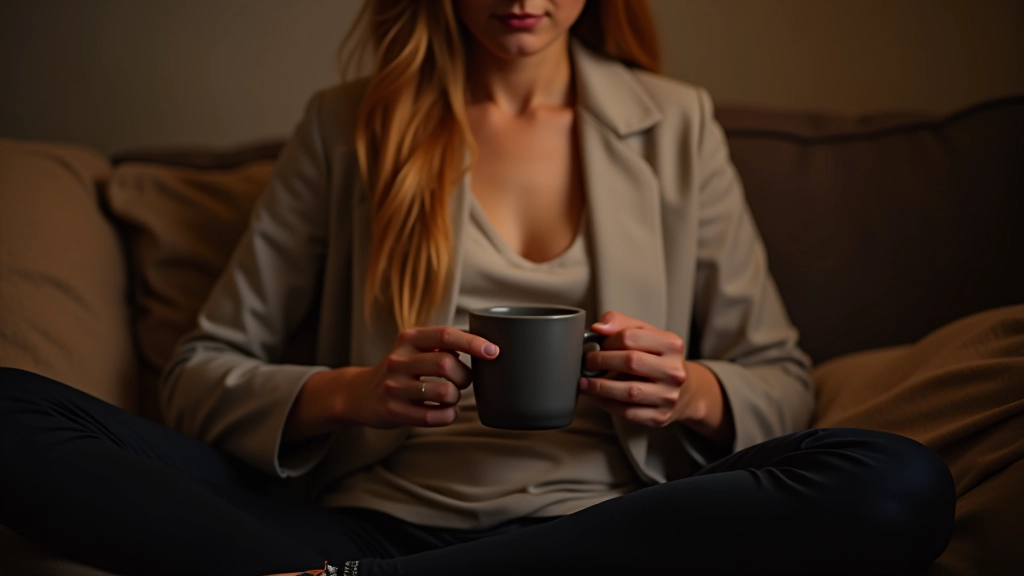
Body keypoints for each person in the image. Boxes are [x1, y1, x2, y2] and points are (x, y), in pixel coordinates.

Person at [0, 1, 955, 575]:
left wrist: (694, 390)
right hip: (363, 516)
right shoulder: (351, 127)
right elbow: (199, 372)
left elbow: (782, 374)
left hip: (607, 529)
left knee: (896, 482)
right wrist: (347, 392)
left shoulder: (677, 126)